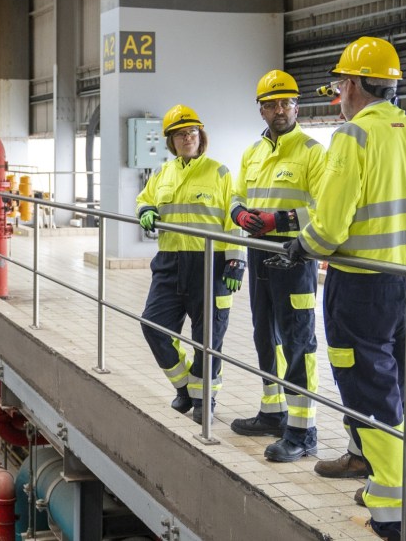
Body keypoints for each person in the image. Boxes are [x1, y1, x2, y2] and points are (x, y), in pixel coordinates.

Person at [283, 36, 406, 541]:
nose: (338, 94)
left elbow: (330, 227)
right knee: (405, 394)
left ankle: (391, 513)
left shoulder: (353, 138)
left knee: (370, 400)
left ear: (355, 84)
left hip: (361, 288)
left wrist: (301, 246)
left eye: (339, 85)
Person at [228, 70, 325, 463]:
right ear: (262, 110)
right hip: (258, 255)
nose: (280, 109)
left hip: (295, 257)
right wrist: (238, 214)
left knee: (298, 340)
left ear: (296, 106)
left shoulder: (313, 152)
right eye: (272, 104)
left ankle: (303, 432)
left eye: (287, 102)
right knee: (264, 336)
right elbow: (236, 193)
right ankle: (273, 412)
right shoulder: (253, 152)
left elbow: (323, 208)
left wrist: (277, 221)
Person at [136, 104, 246, 425]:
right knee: (152, 325)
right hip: (169, 264)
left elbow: (233, 220)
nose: (188, 138)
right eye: (181, 134)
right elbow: (145, 198)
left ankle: (204, 397)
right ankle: (185, 387)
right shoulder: (163, 174)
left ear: (202, 136)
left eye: (193, 132)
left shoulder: (219, 172)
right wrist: (145, 209)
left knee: (208, 337)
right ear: (171, 141)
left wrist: (236, 262)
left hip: (209, 263)